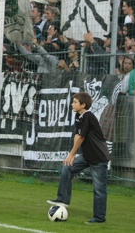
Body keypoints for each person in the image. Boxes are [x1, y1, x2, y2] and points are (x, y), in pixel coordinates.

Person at [47, 92, 110, 224]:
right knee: (67, 167)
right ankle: (63, 199)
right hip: (88, 155)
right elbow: (77, 135)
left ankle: (99, 218)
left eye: (75, 102)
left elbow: (82, 138)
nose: (72, 104)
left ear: (83, 105)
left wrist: (71, 154)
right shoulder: (79, 116)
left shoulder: (88, 116)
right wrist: (73, 154)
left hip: (98, 157)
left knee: (99, 189)